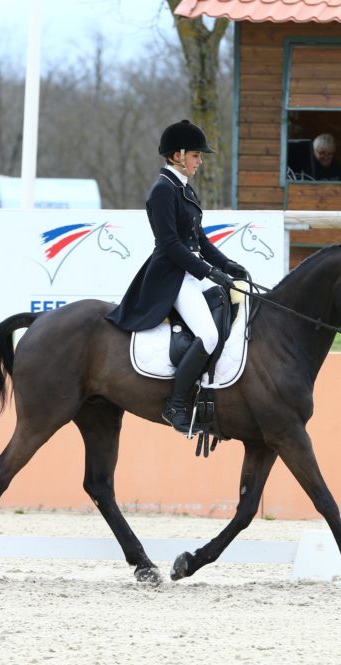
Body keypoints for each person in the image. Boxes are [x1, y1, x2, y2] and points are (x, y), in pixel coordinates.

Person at [106, 120, 248, 435]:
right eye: (197, 155)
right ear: (178, 155)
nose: (200, 161)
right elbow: (170, 245)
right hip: (171, 277)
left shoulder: (183, 187)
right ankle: (176, 404)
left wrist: (227, 266)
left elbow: (199, 239)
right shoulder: (162, 191)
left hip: (189, 274)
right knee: (209, 336)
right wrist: (209, 272)